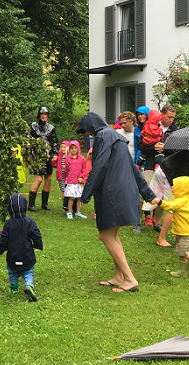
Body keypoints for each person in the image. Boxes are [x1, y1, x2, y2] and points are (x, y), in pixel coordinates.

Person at [78, 112, 157, 293]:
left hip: (111, 192)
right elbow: (134, 169)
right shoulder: (116, 135)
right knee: (113, 236)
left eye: (88, 130)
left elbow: (100, 165)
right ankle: (119, 276)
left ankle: (129, 279)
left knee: (105, 236)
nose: (88, 134)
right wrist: (148, 194)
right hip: (124, 191)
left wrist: (86, 193)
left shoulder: (103, 135)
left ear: (93, 125)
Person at [137, 104, 178, 243]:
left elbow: (177, 150)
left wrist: (165, 149)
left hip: (165, 167)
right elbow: (140, 145)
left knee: (162, 196)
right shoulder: (150, 125)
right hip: (149, 165)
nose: (171, 120)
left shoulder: (175, 130)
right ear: (162, 114)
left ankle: (157, 223)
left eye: (173, 117)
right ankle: (138, 222)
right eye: (169, 117)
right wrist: (152, 147)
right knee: (144, 192)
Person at [154, 176, 189, 278]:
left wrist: (159, 202)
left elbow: (168, 206)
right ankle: (183, 272)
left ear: (182, 189)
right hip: (185, 232)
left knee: (184, 253)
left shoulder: (178, 202)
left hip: (186, 233)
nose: (172, 187)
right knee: (181, 252)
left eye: (175, 186)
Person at [0, 193, 44, 302]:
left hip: (13, 255)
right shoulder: (29, 222)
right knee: (28, 272)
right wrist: (39, 246)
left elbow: (4, 239)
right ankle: (29, 285)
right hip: (27, 254)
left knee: (13, 272)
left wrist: (1, 250)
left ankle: (14, 289)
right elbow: (36, 235)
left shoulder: (8, 224)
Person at [28, 107, 59, 212]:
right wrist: (31, 155)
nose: (44, 116)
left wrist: (55, 154)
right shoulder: (33, 126)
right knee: (39, 179)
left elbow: (54, 142)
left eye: (46, 114)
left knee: (48, 179)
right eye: (42, 114)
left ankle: (44, 204)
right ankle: (31, 204)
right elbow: (28, 141)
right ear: (39, 115)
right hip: (37, 156)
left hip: (48, 156)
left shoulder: (51, 128)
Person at [64, 140, 87, 219]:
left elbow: (84, 169)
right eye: (72, 148)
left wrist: (82, 177)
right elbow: (66, 169)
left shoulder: (82, 159)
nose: (74, 150)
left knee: (79, 197)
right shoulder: (68, 159)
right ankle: (69, 212)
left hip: (79, 181)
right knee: (71, 197)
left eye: (75, 148)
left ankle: (78, 212)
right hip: (71, 181)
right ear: (69, 149)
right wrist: (67, 178)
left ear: (78, 149)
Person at [55, 141, 70, 210]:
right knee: (64, 191)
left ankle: (69, 205)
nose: (63, 149)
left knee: (69, 191)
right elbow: (55, 165)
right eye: (61, 147)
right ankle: (64, 206)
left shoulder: (69, 156)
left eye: (64, 147)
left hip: (69, 177)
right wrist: (53, 161)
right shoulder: (58, 155)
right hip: (61, 177)